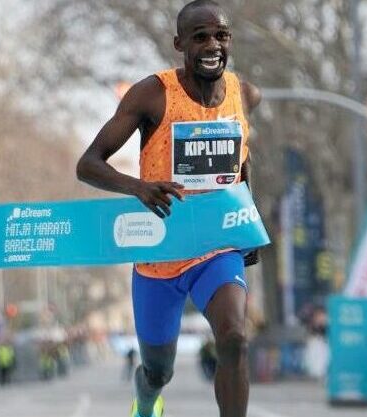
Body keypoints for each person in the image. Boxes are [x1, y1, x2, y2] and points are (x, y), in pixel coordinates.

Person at [76, 1, 261, 417]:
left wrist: (248, 224)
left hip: (216, 247)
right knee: (159, 370)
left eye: (221, 36)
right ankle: (146, 401)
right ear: (180, 44)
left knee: (234, 338)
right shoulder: (153, 95)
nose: (212, 45)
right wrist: (139, 187)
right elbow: (88, 164)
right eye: (200, 37)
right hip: (160, 251)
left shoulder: (245, 95)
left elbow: (243, 158)